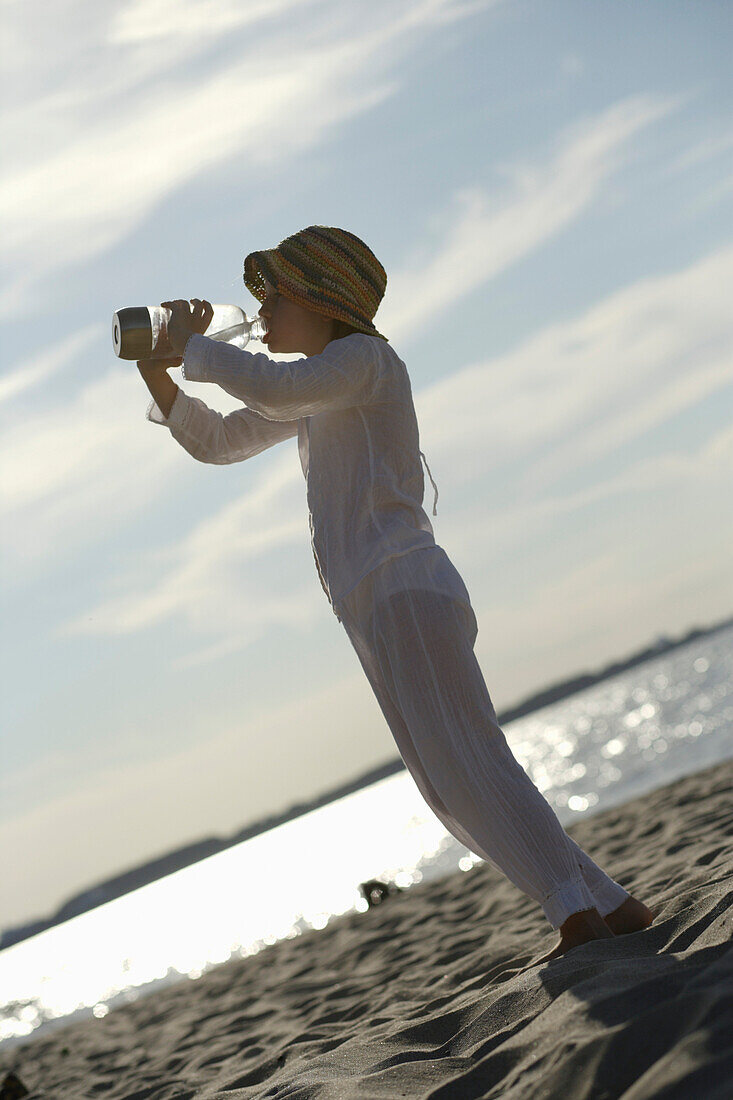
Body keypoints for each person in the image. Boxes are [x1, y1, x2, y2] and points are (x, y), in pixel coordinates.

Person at [138, 225, 654, 963]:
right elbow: (220, 440)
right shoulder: (323, 388)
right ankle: (608, 903)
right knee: (448, 781)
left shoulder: (362, 361)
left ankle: (572, 913)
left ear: (322, 299)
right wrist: (157, 369)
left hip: (404, 587)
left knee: (468, 762)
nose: (264, 307)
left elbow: (268, 385)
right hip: (375, 602)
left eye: (277, 293)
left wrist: (189, 343)